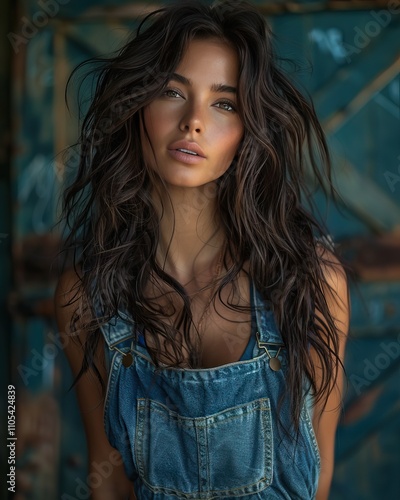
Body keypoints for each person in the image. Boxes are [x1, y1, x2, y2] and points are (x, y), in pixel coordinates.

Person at [54, 1, 349, 499]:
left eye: (224, 103)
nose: (193, 121)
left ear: (248, 130)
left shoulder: (311, 280)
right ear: (138, 106)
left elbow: (317, 478)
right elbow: (106, 478)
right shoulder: (86, 295)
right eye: (172, 91)